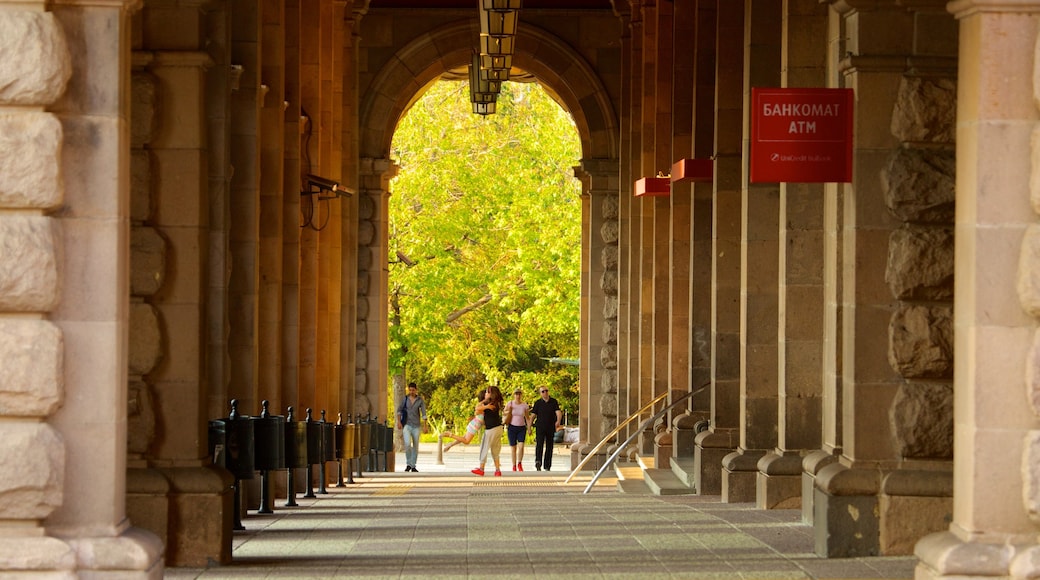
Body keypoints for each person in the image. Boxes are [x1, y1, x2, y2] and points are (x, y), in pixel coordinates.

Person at [471, 385, 504, 477]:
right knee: (495, 449)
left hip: (491, 429)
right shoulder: (496, 403)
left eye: (487, 392)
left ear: (491, 394)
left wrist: (484, 404)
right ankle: (497, 470)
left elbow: (477, 408)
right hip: (498, 428)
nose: (485, 394)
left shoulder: (489, 404)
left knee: (484, 447)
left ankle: (481, 469)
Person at [529, 386, 562, 471]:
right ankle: (538, 461)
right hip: (540, 427)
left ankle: (547, 465)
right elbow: (533, 415)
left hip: (550, 427)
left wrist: (558, 421)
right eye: (543, 391)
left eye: (546, 391)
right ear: (540, 393)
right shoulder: (538, 403)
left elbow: (558, 412)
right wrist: (529, 427)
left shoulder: (553, 402)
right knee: (539, 444)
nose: (545, 393)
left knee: (549, 446)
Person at [397, 382, 427, 472]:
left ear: (416, 390)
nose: (411, 391)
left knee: (415, 445)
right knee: (407, 444)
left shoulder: (420, 400)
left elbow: (424, 413)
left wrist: (425, 426)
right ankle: (408, 463)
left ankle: (413, 465)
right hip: (407, 424)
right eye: (410, 390)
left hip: (416, 425)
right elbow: (399, 410)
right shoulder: (405, 399)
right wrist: (399, 422)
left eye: (413, 390)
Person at [502, 388, 531, 471]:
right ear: (514, 395)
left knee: (521, 446)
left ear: (521, 395)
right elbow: (504, 412)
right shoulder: (510, 404)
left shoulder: (524, 405)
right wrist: (509, 411)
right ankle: (514, 465)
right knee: (513, 448)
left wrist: (529, 428)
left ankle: (519, 463)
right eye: (516, 394)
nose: (518, 396)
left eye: (519, 394)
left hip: (521, 427)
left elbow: (527, 417)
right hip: (512, 427)